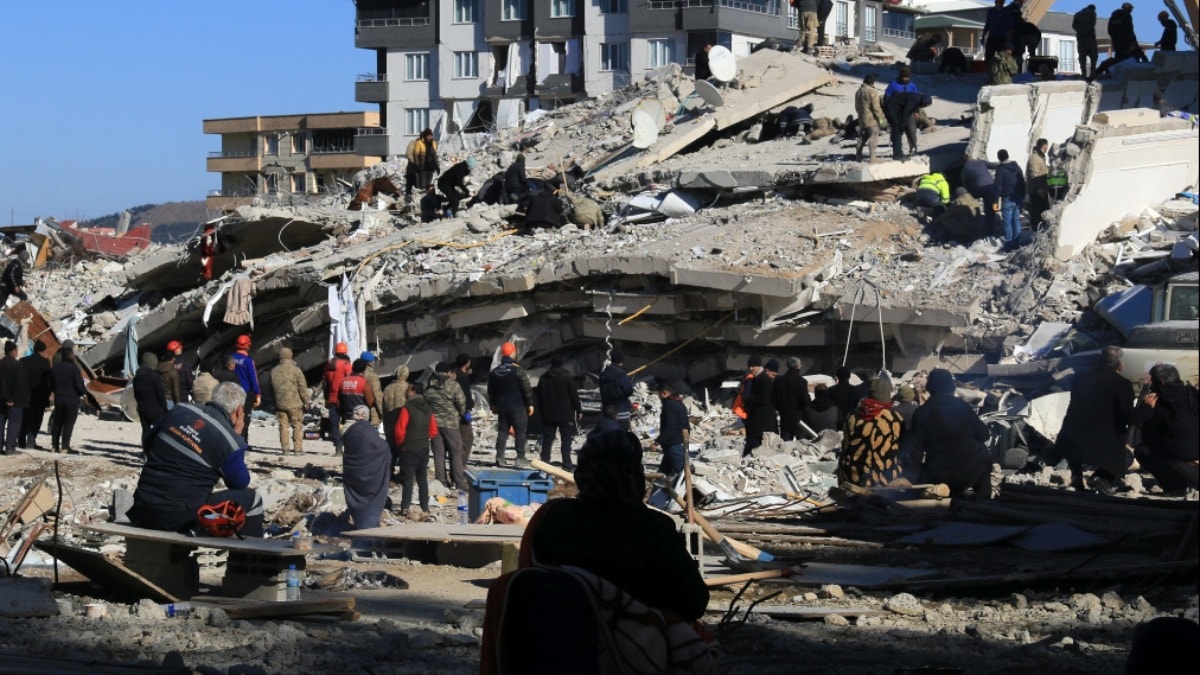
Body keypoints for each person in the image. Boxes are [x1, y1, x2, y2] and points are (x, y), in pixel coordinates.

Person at [481, 429, 710, 674]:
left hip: (549, 649)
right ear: (635, 477)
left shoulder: (551, 517)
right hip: (630, 656)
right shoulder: (655, 529)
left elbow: (527, 578)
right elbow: (695, 602)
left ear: (581, 475)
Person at [128, 382, 264, 537]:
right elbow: (239, 483)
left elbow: (148, 442)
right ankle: (251, 550)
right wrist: (236, 437)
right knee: (253, 499)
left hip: (142, 507)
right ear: (239, 411)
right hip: (179, 517)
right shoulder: (229, 440)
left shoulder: (180, 410)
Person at [901, 369, 992, 496]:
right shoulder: (963, 406)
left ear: (929, 389)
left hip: (941, 473)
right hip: (973, 469)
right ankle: (984, 500)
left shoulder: (922, 412)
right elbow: (984, 435)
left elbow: (915, 450)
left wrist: (908, 477)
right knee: (982, 456)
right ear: (952, 389)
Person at [1133, 364, 1198, 494]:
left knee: (1142, 451)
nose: (1150, 385)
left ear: (1161, 382)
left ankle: (1174, 487)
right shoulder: (1193, 394)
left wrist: (1147, 409)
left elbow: (1148, 436)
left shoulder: (1161, 400)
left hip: (1185, 467)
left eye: (1152, 381)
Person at [838, 379, 904, 488]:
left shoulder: (852, 416)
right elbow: (902, 445)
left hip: (850, 477)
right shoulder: (894, 418)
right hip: (884, 479)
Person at [341, 404, 392, 529]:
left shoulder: (347, 430)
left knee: (355, 498)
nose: (360, 417)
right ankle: (369, 525)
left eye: (363, 414)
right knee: (371, 499)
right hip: (370, 473)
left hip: (352, 473)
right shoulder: (366, 429)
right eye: (358, 413)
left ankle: (360, 524)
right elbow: (381, 447)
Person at [394, 381, 438, 520]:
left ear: (413, 392)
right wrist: (423, 438)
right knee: (422, 479)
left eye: (408, 389)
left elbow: (400, 431)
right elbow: (433, 430)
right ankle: (425, 507)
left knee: (408, 479)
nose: (406, 392)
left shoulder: (407, 408)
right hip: (423, 448)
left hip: (408, 448)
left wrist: (401, 444)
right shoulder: (428, 409)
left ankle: (405, 507)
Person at [489, 341, 534, 466]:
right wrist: (530, 403)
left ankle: (499, 457)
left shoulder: (494, 372)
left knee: (502, 432)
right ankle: (520, 458)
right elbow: (526, 389)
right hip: (517, 406)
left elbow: (491, 391)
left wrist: (493, 405)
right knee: (520, 431)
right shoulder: (518, 370)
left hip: (502, 407)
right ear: (513, 353)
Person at [425, 361, 468, 489]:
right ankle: (459, 481)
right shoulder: (453, 385)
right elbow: (461, 402)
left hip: (434, 424)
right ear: (448, 372)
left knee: (439, 454)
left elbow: (426, 402)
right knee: (456, 452)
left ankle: (441, 481)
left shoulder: (428, 385)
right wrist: (463, 414)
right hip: (450, 423)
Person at [535, 354, 582, 471]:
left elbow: (539, 396)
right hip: (566, 414)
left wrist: (541, 411)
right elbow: (574, 395)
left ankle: (544, 462)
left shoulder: (544, 378)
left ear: (551, 363)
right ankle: (566, 463)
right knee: (566, 440)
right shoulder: (567, 377)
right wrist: (579, 410)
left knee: (547, 439)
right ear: (562, 364)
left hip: (548, 413)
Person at [269, 347, 308, 455]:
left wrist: (274, 401)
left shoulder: (274, 371)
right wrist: (306, 401)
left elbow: (271, 389)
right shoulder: (296, 370)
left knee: (283, 426)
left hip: (280, 404)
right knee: (297, 426)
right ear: (290, 356)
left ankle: (285, 449)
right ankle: (298, 450)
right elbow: (302, 387)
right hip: (294, 404)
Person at [50, 342, 87, 454]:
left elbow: (50, 384)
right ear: (70, 355)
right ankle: (65, 447)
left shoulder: (56, 368)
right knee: (68, 423)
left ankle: (54, 446)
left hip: (59, 398)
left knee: (58, 422)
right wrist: (83, 393)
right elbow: (79, 385)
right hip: (71, 399)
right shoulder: (74, 368)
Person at [19, 340, 52, 450]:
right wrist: (47, 395)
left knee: (24, 418)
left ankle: (21, 440)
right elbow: (48, 382)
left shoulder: (23, 361)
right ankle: (31, 441)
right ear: (43, 351)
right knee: (36, 419)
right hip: (40, 396)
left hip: (25, 395)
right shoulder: (45, 363)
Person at [743, 358, 779, 456]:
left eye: (753, 366)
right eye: (749, 366)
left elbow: (763, 399)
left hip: (761, 425)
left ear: (759, 366)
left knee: (754, 451)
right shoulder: (758, 378)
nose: (751, 368)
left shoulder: (764, 379)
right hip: (758, 424)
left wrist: (748, 399)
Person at [132, 352, 168, 450]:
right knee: (159, 430)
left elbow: (135, 394)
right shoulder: (154, 377)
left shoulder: (137, 377)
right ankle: (157, 450)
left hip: (142, 408)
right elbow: (160, 394)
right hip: (155, 409)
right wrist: (164, 407)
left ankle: (146, 451)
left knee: (145, 430)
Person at [656, 382, 690, 480]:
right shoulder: (678, 402)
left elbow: (669, 428)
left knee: (681, 474)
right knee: (663, 472)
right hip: (677, 442)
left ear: (664, 393)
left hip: (674, 444)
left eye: (659, 394)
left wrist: (657, 442)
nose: (658, 397)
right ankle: (657, 487)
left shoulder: (669, 405)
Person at [883, 68, 921, 157]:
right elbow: (887, 98)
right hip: (897, 112)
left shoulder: (912, 86)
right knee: (897, 131)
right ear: (901, 76)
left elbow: (916, 99)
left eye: (908, 77)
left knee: (911, 130)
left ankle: (913, 148)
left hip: (909, 112)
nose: (906, 79)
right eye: (904, 77)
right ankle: (898, 150)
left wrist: (916, 111)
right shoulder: (893, 85)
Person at [323, 342, 353, 455]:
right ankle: (347, 446)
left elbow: (325, 383)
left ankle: (338, 447)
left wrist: (327, 397)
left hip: (332, 398)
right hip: (344, 398)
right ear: (345, 352)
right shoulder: (346, 364)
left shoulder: (328, 364)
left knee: (334, 424)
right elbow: (349, 380)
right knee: (347, 422)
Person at [338, 359, 376, 449]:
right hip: (360, 418)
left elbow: (338, 401)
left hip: (347, 417)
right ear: (364, 370)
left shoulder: (343, 381)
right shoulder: (363, 383)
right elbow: (370, 402)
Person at [0, 340, 29, 455]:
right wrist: (11, 399)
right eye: (16, 350)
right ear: (13, 351)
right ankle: (10, 447)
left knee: (0, 423)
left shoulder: (1, 363)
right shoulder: (18, 365)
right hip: (13, 401)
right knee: (14, 424)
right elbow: (18, 385)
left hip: (1, 400)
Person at [381, 363, 411, 474]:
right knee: (404, 449)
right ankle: (404, 473)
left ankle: (388, 473)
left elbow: (383, 406)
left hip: (389, 422)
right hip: (403, 424)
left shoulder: (387, 388)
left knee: (390, 448)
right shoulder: (408, 388)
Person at [993, 148, 1026, 249]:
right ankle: (1017, 243)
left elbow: (998, 187)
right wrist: (1023, 196)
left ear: (999, 158)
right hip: (1017, 198)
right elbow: (1022, 181)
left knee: (1007, 222)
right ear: (1008, 156)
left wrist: (995, 201)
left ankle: (1009, 245)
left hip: (1007, 198)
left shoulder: (1000, 169)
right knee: (1016, 220)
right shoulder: (1017, 167)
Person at [773, 356, 810, 441]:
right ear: (797, 367)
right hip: (799, 419)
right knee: (802, 445)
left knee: (786, 445)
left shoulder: (779, 381)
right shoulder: (801, 381)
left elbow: (774, 400)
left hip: (784, 418)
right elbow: (806, 401)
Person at [231, 335, 260, 444]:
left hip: (232, 392)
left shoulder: (231, 358)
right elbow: (253, 378)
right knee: (244, 418)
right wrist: (257, 394)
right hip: (245, 393)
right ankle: (243, 441)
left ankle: (232, 440)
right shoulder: (248, 361)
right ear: (247, 346)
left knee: (232, 417)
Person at [961, 155, 999, 237]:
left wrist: (971, 195)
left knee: (976, 202)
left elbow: (966, 186)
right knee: (990, 209)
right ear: (971, 158)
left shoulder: (964, 170)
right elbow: (994, 165)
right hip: (990, 187)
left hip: (978, 190)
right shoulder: (980, 162)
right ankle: (991, 228)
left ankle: (985, 228)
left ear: (963, 163)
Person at [598, 348, 634, 430]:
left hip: (607, 411)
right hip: (621, 411)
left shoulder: (603, 374)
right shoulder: (621, 375)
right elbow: (629, 391)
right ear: (621, 361)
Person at [854, 74, 886, 163]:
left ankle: (858, 157)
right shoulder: (872, 92)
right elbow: (876, 108)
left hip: (861, 119)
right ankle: (872, 158)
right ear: (872, 82)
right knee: (873, 137)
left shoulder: (858, 92)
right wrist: (881, 120)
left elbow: (857, 107)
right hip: (871, 120)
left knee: (862, 138)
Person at [405, 127, 439, 201]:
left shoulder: (430, 143)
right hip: (412, 168)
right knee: (410, 183)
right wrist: (415, 163)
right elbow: (409, 154)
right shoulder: (414, 143)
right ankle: (409, 198)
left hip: (424, 168)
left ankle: (423, 198)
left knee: (423, 184)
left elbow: (433, 155)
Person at [454, 354, 475, 461]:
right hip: (462, 411)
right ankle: (461, 462)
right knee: (467, 438)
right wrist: (466, 410)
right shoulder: (462, 377)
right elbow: (464, 395)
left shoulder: (456, 374)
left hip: (456, 410)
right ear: (466, 363)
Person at [1025, 138, 1050, 230]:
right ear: (1039, 147)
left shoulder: (1041, 157)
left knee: (1043, 212)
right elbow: (1034, 176)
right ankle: (1037, 231)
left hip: (1041, 190)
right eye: (1044, 148)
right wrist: (1040, 189)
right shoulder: (1034, 158)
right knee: (1036, 213)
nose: (1046, 150)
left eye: (1046, 148)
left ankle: (1041, 229)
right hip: (1036, 192)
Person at [982, 0, 1013, 66]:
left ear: (1003, 2)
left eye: (1001, 1)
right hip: (992, 37)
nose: (999, 2)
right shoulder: (990, 11)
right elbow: (987, 25)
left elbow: (1010, 28)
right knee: (988, 57)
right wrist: (983, 36)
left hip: (1002, 38)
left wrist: (1009, 41)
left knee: (1002, 58)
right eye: (997, 1)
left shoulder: (1007, 12)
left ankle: (1001, 71)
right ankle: (988, 70)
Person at [1073, 4, 1098, 81]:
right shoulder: (1092, 13)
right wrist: (1087, 31)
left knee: (1082, 56)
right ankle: (1092, 73)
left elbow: (1074, 25)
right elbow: (1093, 23)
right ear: (1093, 9)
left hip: (1081, 38)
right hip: (1089, 38)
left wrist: (1080, 31)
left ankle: (1083, 73)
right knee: (1093, 56)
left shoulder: (1077, 14)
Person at [360, 351, 384, 427]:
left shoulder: (358, 372)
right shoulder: (372, 375)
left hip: (359, 408)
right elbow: (377, 395)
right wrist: (382, 412)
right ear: (370, 363)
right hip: (371, 411)